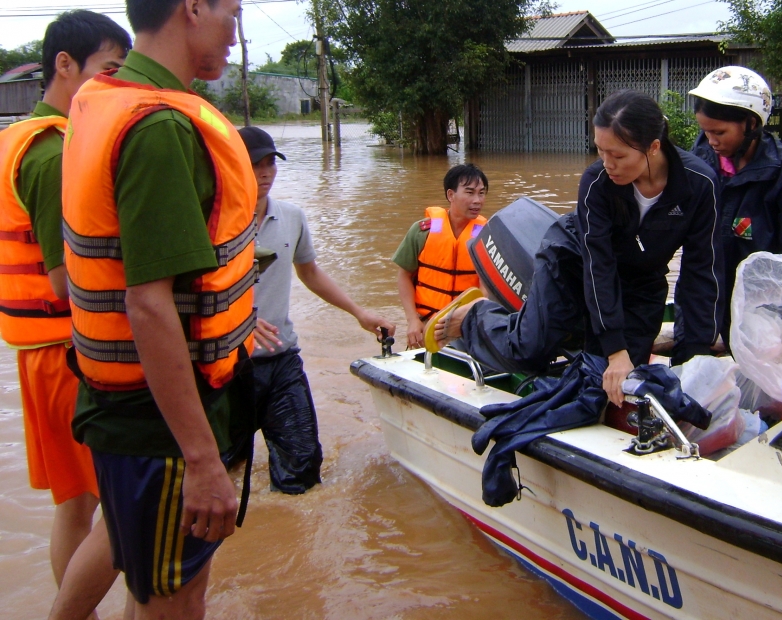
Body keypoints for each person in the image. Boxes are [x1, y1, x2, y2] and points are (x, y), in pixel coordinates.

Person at [60, 0, 256, 620]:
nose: (235, 36)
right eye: (233, 15)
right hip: (162, 423)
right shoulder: (159, 129)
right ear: (194, 6)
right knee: (173, 601)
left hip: (132, 410)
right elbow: (148, 304)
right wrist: (203, 459)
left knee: (154, 585)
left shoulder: (103, 99)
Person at [439, 90, 723, 405]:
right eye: (601, 152)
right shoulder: (597, 182)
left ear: (653, 148)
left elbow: (701, 274)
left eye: (618, 156)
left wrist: (694, 361)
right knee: (529, 351)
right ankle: (475, 316)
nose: (608, 164)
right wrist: (615, 349)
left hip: (643, 279)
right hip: (572, 260)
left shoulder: (699, 185)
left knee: (620, 384)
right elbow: (597, 266)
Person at [0, 11, 128, 619]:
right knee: (124, 503)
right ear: (65, 65)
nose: (113, 87)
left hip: (38, 352)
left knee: (74, 502)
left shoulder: (16, 137)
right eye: (107, 72)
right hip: (68, 350)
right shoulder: (52, 153)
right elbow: (65, 276)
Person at [238, 125, 395, 494]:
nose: (264, 173)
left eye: (269, 164)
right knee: (224, 471)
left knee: (303, 472)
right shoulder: (212, 222)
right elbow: (189, 291)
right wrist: (238, 320)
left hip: (281, 359)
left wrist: (359, 313)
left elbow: (309, 272)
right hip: (226, 367)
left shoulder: (291, 217)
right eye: (254, 164)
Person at [689, 66, 782, 341]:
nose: (711, 141)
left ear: (751, 123)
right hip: (704, 300)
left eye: (720, 132)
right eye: (705, 131)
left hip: (763, 311)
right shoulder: (701, 158)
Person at [393, 164, 489, 349]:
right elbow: (404, 275)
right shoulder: (422, 231)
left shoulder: (487, 238)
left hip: (466, 327)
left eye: (482, 193)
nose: (477, 200)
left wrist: (462, 320)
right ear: (451, 195)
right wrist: (412, 320)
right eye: (469, 192)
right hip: (425, 324)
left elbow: (485, 290)